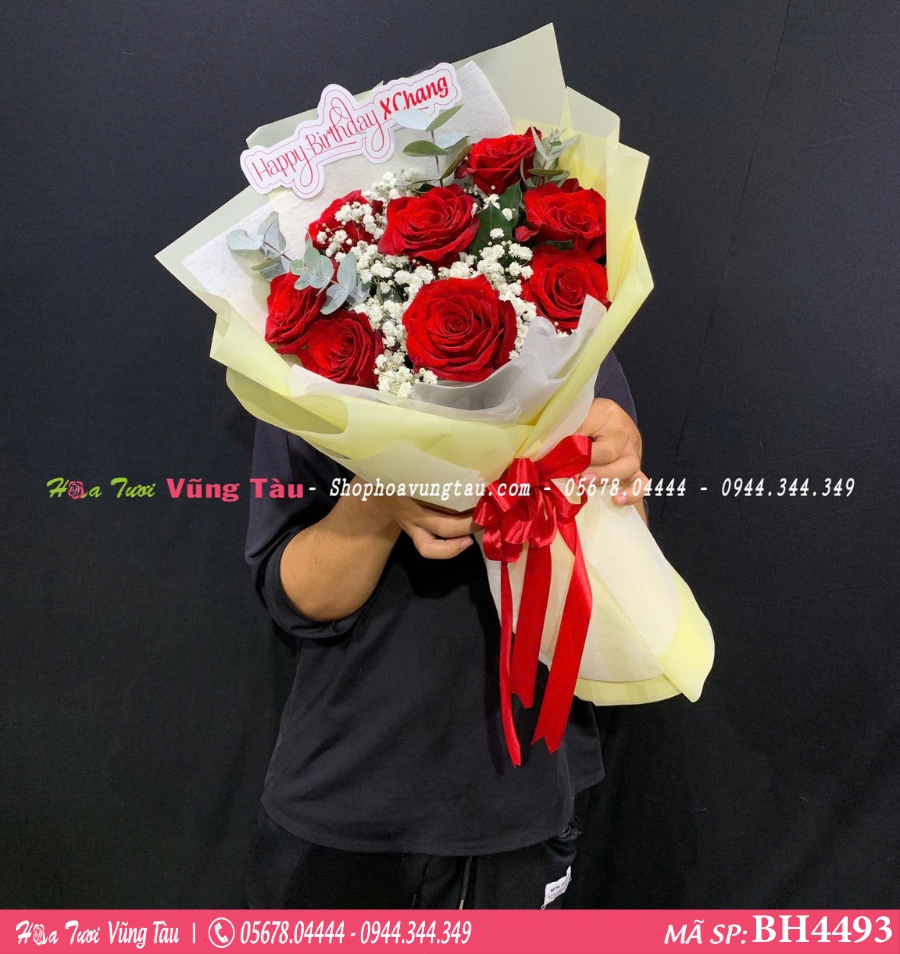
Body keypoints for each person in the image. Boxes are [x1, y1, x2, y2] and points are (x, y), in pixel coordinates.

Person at [243, 349, 648, 909]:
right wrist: (378, 497)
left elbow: (621, 589)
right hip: (346, 786)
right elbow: (294, 597)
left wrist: (611, 469)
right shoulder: (317, 345)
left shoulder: (574, 337)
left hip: (524, 790)